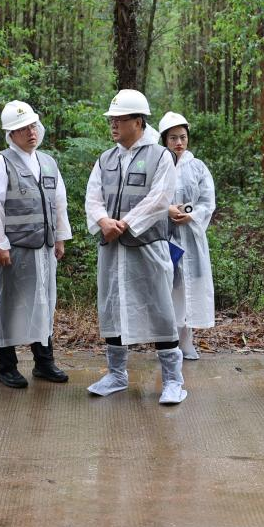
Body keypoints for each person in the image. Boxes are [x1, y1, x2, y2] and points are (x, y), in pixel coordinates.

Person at [84, 89, 186, 405]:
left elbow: (160, 198)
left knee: (159, 308)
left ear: (138, 122)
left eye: (120, 119)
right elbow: (92, 197)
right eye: (112, 119)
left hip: (147, 246)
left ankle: (173, 380)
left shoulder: (160, 156)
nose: (113, 124)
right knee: (112, 306)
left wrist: (125, 223)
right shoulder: (106, 159)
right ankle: (116, 374)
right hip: (112, 249)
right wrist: (103, 221)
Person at [0, 100, 72, 388]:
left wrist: (60, 237)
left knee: (44, 303)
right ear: (11, 134)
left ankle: (44, 362)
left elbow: (59, 202)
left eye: (33, 126)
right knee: (10, 304)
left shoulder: (47, 162)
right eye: (23, 129)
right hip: (16, 248)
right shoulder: (1, 163)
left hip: (45, 247)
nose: (31, 132)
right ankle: (6, 366)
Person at [157, 111, 216, 360]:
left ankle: (186, 341)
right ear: (164, 140)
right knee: (167, 289)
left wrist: (190, 215)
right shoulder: (158, 166)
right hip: (163, 235)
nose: (179, 142)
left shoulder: (198, 167)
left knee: (189, 287)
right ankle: (167, 341)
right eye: (173, 138)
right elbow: (149, 199)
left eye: (182, 137)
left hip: (190, 236)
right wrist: (167, 210)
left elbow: (207, 200)